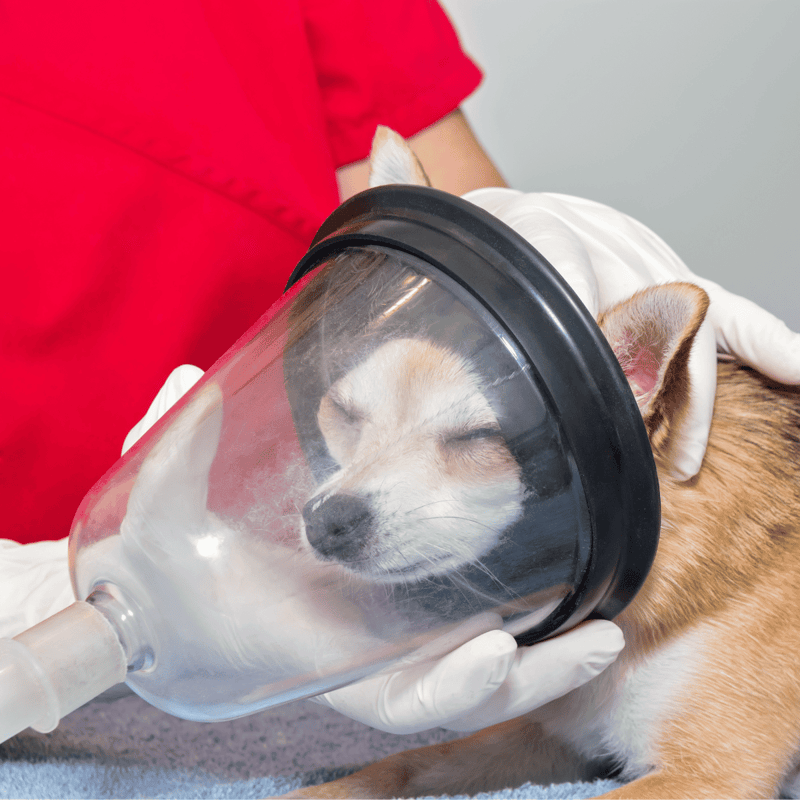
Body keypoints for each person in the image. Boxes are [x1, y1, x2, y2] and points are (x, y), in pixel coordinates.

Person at [2, 0, 800, 739]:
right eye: (345, 415)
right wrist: (28, 599)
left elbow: (463, 262)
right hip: (183, 595)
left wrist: (563, 290)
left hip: (313, 607)